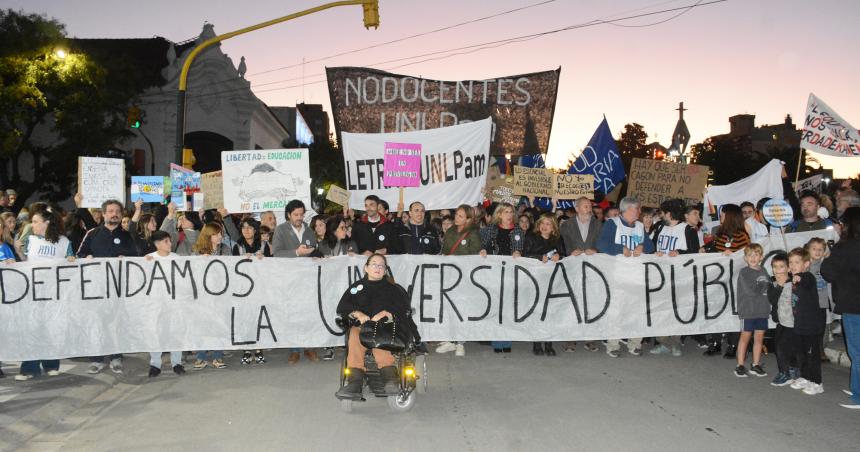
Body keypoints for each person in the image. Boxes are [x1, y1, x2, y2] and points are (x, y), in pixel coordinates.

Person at [335, 254, 418, 399]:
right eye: (374, 264)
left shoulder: (394, 289)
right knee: (354, 335)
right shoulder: (357, 288)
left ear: (385, 270)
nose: (378, 268)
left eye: (381, 265)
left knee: (379, 337)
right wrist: (357, 313)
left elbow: (404, 310)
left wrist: (387, 314)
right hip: (362, 328)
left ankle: (390, 380)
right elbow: (343, 307)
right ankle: (355, 383)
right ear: (366, 268)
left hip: (386, 327)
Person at [77, 199, 137, 374]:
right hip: (95, 288)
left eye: (117, 211)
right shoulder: (92, 233)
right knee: (96, 322)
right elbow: (80, 253)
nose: (114, 214)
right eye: (110, 211)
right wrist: (86, 258)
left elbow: (135, 257)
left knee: (116, 322)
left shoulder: (126, 235)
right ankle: (96, 359)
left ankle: (116, 357)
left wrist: (125, 259)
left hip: (118, 287)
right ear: (103, 214)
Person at [14, 208, 74, 381]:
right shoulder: (29, 239)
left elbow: (72, 260)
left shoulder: (64, 242)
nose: (31, 225)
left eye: (35, 221)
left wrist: (72, 260)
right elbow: (25, 262)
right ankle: (29, 368)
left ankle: (51, 364)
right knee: (32, 328)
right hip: (33, 292)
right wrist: (18, 252)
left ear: (46, 223)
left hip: (54, 293)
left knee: (51, 328)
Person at [597, 197, 654, 357]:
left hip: (636, 275)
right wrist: (620, 249)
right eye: (638, 209)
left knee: (637, 310)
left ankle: (635, 343)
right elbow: (601, 244)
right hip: (617, 274)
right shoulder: (612, 224)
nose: (639, 212)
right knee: (616, 311)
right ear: (629, 209)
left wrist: (643, 246)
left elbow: (650, 246)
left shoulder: (640, 226)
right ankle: (613, 344)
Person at [821, 207, 860, 409]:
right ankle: (856, 386)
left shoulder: (845, 248)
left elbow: (828, 273)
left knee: (857, 351)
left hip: (853, 306)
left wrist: (829, 254)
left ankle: (859, 395)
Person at [271, 200, 319, 363]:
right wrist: (296, 253)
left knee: (308, 312)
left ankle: (309, 348)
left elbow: (314, 250)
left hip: (307, 278)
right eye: (296, 215)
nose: (299, 217)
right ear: (288, 215)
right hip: (289, 279)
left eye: (301, 214)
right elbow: (276, 254)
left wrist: (316, 255)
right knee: (293, 313)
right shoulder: (280, 230)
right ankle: (294, 349)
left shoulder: (309, 230)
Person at [650, 199, 700, 357]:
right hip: (660, 275)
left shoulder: (688, 230)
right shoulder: (659, 227)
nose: (660, 215)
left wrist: (680, 252)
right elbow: (651, 245)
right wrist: (654, 252)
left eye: (662, 213)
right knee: (660, 309)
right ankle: (663, 342)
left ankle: (676, 342)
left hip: (680, 277)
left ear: (669, 214)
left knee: (677, 310)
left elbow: (695, 252)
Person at [703, 204, 750, 358]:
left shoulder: (742, 236)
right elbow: (715, 253)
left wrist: (734, 254)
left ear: (729, 216)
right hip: (719, 281)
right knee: (716, 310)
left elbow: (747, 256)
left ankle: (732, 344)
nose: (720, 217)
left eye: (722, 214)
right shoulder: (720, 235)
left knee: (732, 313)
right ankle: (715, 342)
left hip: (736, 282)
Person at [558, 196, 602, 353]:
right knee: (572, 303)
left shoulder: (598, 224)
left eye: (589, 206)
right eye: (585, 206)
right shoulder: (566, 225)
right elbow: (561, 244)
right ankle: (571, 339)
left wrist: (596, 250)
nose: (589, 209)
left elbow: (603, 243)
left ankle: (590, 338)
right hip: (573, 268)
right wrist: (570, 252)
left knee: (591, 303)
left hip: (592, 268)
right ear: (576, 208)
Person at [480, 202, 525, 353]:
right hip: (494, 270)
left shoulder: (518, 230)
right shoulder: (490, 229)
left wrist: (518, 252)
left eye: (511, 212)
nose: (509, 215)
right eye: (506, 212)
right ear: (499, 214)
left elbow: (520, 247)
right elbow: (483, 245)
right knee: (496, 305)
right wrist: (483, 251)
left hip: (511, 271)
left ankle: (507, 340)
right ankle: (497, 341)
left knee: (508, 306)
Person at [144, 230, 186, 377]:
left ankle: (177, 362)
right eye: (166, 241)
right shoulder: (149, 259)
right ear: (157, 244)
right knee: (156, 332)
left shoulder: (177, 258)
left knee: (175, 331)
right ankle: (155, 363)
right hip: (156, 304)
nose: (170, 244)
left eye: (169, 240)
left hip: (174, 302)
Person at [785, 247, 826, 395]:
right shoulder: (794, 279)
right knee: (800, 353)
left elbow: (806, 281)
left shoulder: (808, 277)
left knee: (812, 355)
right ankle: (805, 377)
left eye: (797, 262)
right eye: (791, 262)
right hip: (799, 324)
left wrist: (799, 278)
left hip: (811, 325)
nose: (793, 265)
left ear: (806, 264)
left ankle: (817, 382)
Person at [191, 223, 231, 370]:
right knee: (204, 325)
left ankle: (217, 355)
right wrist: (201, 262)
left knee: (218, 324)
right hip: (203, 295)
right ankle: (201, 356)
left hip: (220, 293)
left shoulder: (225, 249)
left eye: (220, 234)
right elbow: (190, 271)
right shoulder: (197, 251)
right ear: (208, 235)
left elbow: (230, 269)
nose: (220, 236)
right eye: (216, 234)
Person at [232, 217, 271, 365]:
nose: (246, 230)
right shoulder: (237, 247)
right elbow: (232, 267)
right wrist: (241, 259)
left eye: (249, 228)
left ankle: (259, 349)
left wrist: (264, 259)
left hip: (260, 287)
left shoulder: (264, 245)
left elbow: (273, 265)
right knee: (245, 319)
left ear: (255, 230)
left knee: (259, 318)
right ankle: (247, 349)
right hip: (243, 289)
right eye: (243, 228)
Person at [522, 213, 562, 357]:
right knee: (537, 310)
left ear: (553, 227)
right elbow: (524, 255)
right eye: (543, 223)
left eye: (549, 224)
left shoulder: (557, 239)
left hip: (552, 279)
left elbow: (565, 254)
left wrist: (560, 256)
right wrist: (539, 257)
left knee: (550, 311)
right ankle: (537, 342)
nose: (545, 226)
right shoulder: (531, 238)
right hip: (535, 279)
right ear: (538, 225)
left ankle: (549, 343)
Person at [732, 244, 771, 378]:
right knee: (745, 338)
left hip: (763, 310)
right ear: (745, 258)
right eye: (750, 255)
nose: (753, 258)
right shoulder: (744, 272)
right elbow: (750, 291)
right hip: (748, 311)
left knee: (759, 339)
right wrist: (765, 285)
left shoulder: (764, 270)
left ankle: (755, 364)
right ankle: (740, 365)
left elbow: (769, 288)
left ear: (761, 257)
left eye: (756, 255)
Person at [768, 253, 799, 387]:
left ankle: (789, 372)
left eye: (781, 266)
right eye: (775, 266)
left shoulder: (794, 282)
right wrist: (779, 286)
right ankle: (787, 371)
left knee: (788, 348)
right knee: (779, 347)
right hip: (781, 322)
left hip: (793, 322)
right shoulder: (773, 283)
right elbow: (772, 300)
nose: (777, 270)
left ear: (788, 268)